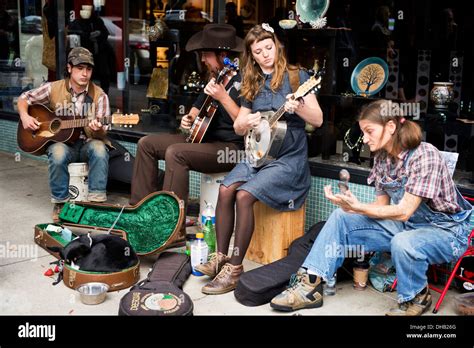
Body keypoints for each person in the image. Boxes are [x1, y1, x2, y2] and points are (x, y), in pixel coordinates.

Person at [270, 99, 473, 315]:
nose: (364, 139)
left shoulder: (425, 155)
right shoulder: (382, 159)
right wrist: (350, 205)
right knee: (341, 217)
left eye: (369, 131)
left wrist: (359, 207)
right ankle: (309, 284)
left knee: (403, 242)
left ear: (391, 127)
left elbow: (405, 210)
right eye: (362, 132)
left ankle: (416, 297)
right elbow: (381, 207)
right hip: (409, 225)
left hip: (447, 232)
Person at [195, 23, 323, 295]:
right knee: (226, 188)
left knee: (243, 196)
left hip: (289, 160)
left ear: (277, 46)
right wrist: (247, 122)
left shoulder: (297, 76)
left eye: (269, 47)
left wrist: (297, 107)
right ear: (251, 56)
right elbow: (240, 125)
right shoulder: (251, 81)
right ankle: (220, 257)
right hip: (258, 154)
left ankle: (235, 269)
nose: (266, 54)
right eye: (258, 51)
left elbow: (318, 119)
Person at [129, 24, 245, 241]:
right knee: (146, 143)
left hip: (230, 148)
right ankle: (140, 213)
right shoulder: (217, 77)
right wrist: (189, 118)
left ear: (223, 54)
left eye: (206, 55)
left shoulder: (242, 81)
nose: (202, 60)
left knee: (176, 152)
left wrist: (223, 97)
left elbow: (244, 123)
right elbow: (198, 106)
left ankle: (173, 228)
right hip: (203, 140)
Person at [18, 47, 111, 221]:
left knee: (99, 148)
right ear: (69, 68)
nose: (85, 74)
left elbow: (103, 130)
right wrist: (25, 116)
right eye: (80, 68)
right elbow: (24, 98)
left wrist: (98, 128)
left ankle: (96, 203)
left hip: (86, 144)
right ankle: (60, 203)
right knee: (58, 152)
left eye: (88, 69)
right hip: (63, 145)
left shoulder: (99, 95)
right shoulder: (53, 88)